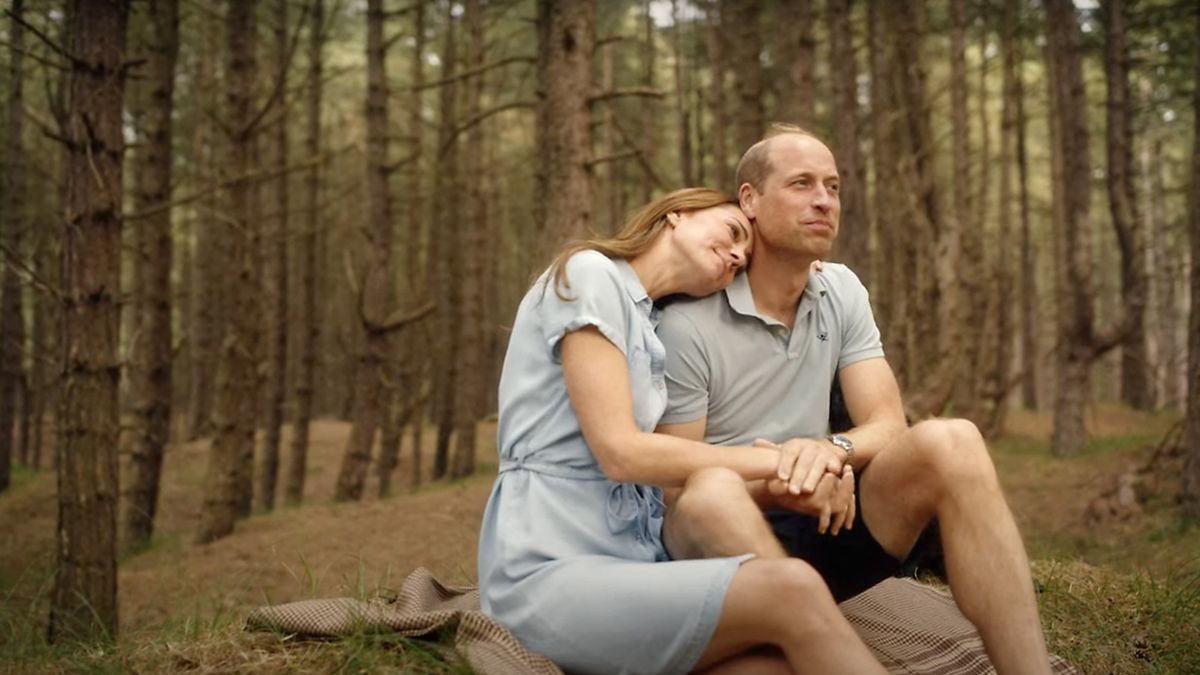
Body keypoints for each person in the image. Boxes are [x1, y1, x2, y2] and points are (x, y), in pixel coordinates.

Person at [656, 124, 1054, 674]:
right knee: (709, 491)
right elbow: (674, 492)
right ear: (750, 199)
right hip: (723, 550)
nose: (823, 200)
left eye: (833, 186)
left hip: (827, 520)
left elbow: (886, 423)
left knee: (951, 439)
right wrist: (783, 483)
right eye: (801, 183)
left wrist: (830, 451)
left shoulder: (841, 289)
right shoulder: (688, 322)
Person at [477, 187, 889, 675]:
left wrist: (799, 479)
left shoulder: (651, 324)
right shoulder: (591, 274)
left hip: (636, 563)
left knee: (772, 664)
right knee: (792, 587)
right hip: (549, 566)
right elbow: (622, 453)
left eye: (742, 261)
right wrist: (791, 460)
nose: (737, 254)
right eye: (733, 232)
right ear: (677, 213)